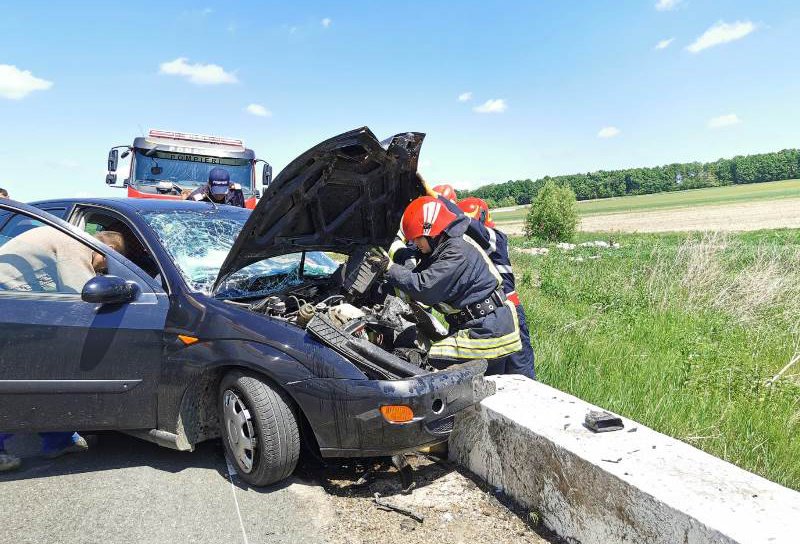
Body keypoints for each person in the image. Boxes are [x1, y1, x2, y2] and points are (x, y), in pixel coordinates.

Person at [0, 230, 127, 472]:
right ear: (103, 252)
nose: (100, 271)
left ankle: (57, 440)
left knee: (46, 377)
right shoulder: (76, 244)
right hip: (10, 310)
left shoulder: (64, 238)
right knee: (24, 380)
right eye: (103, 266)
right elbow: (82, 295)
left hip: (20, 308)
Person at [376, 196, 522, 374]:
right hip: (482, 325)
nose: (414, 243)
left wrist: (389, 269)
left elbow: (423, 287)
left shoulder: (455, 251)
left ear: (431, 231)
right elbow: (415, 274)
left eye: (417, 238)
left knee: (426, 357)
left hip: (488, 330)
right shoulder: (445, 246)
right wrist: (396, 253)